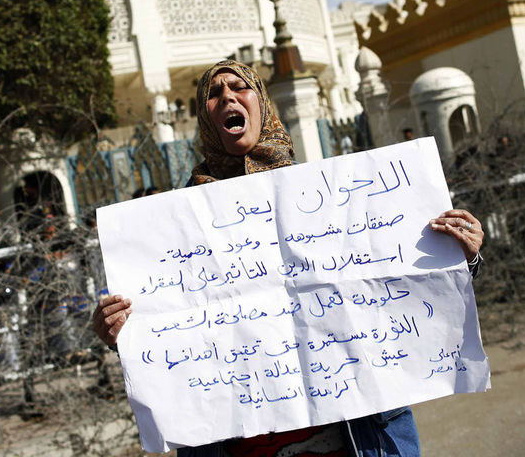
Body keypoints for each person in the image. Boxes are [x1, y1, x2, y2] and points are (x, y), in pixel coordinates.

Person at [91, 60, 485, 457]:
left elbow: (392, 285)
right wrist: (123, 332)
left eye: (239, 87)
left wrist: (459, 257)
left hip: (356, 439)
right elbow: (165, 328)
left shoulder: (330, 199)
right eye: (214, 93)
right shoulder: (174, 228)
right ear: (204, 117)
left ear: (261, 101)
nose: (227, 96)